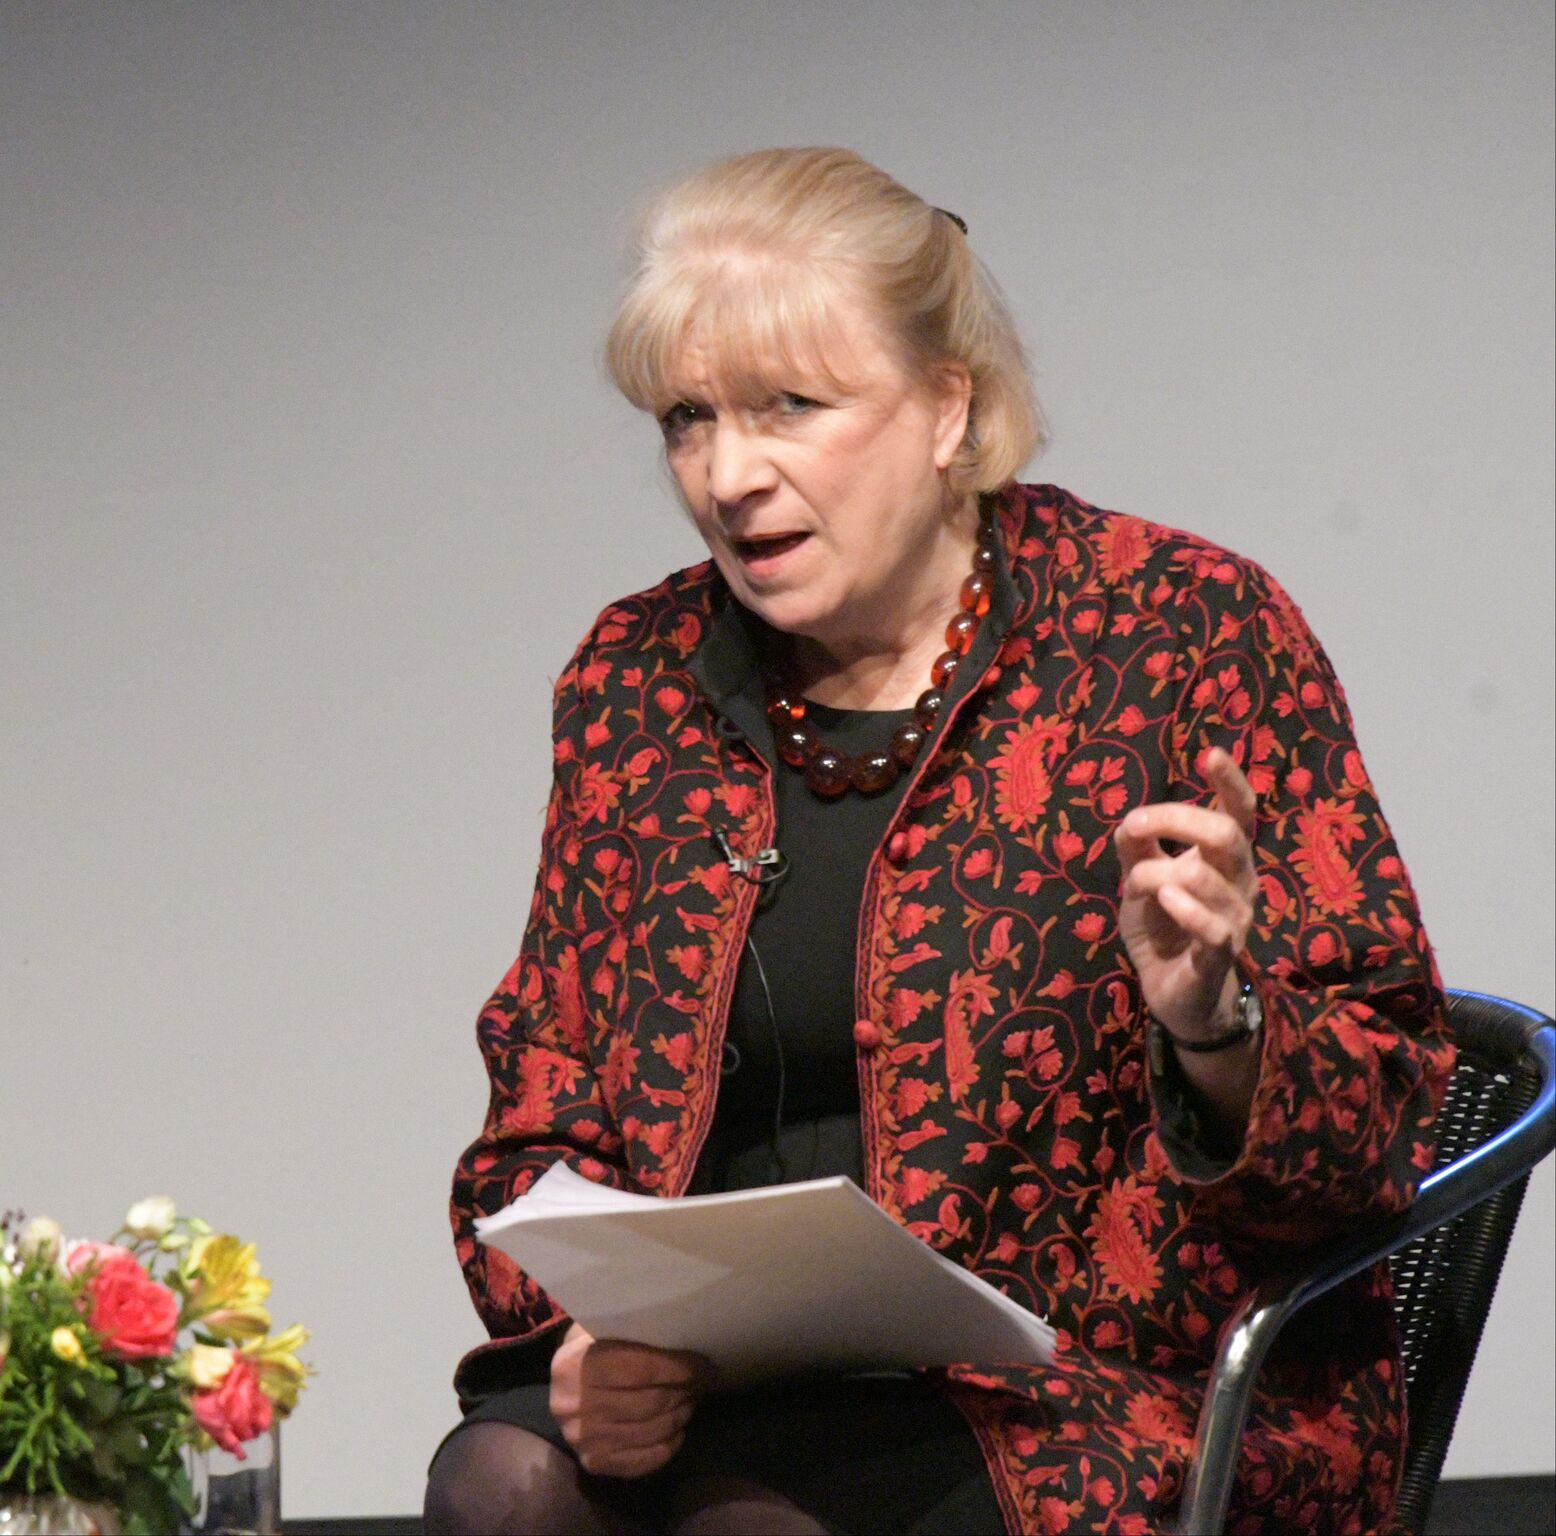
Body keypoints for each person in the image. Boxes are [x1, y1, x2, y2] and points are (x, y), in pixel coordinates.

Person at [424, 148, 1452, 1536]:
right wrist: (587, 1340)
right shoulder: (635, 677)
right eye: (687, 419)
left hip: (1091, 1390)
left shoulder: (1183, 633)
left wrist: (1217, 1025)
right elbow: (540, 1106)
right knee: (504, 1485)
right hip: (725, 1381)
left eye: (791, 407)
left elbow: (1384, 1122)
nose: (728, 475)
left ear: (947, 408)